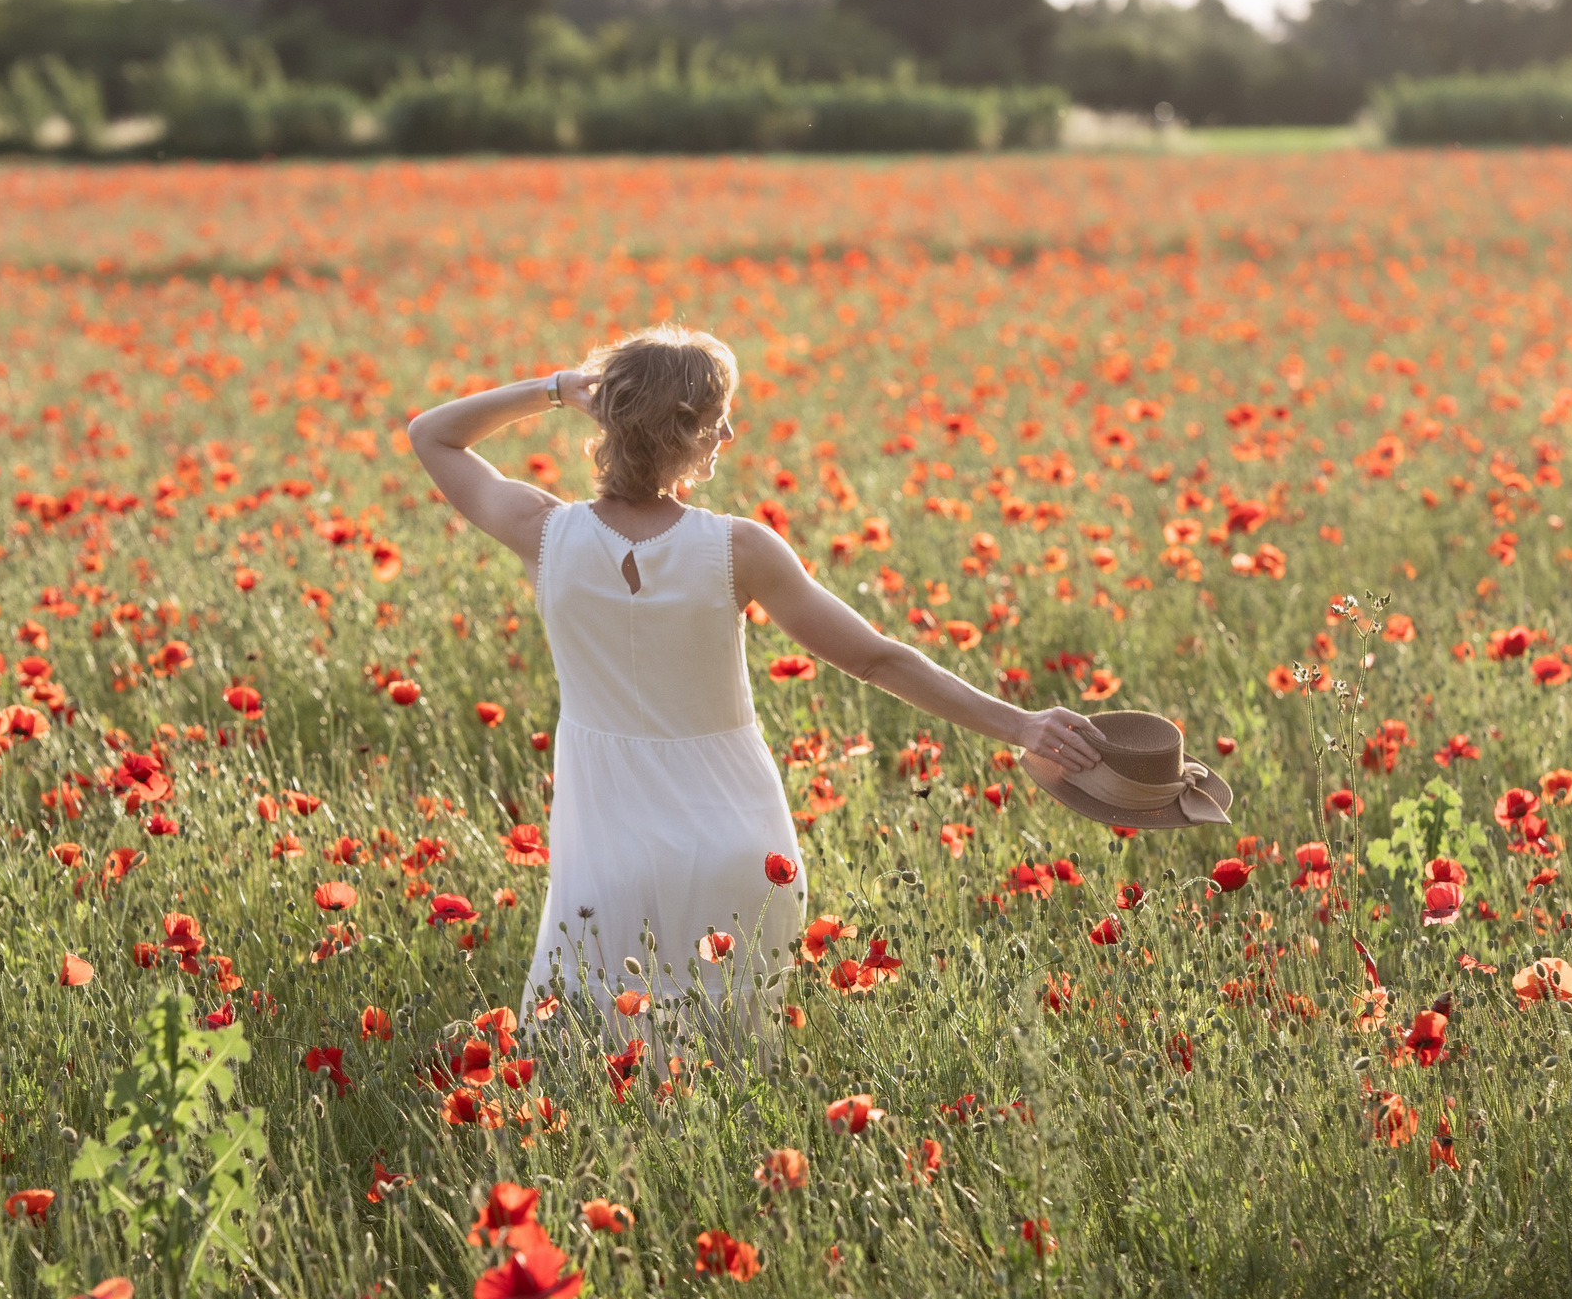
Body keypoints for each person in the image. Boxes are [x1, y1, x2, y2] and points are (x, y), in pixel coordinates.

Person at [410, 323, 1104, 1045]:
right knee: (726, 1078)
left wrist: (554, 390)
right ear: (683, 433)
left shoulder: (543, 532)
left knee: (595, 1070)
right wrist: (1020, 725)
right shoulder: (737, 549)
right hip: (737, 845)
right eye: (716, 420)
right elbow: (876, 659)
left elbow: (432, 434)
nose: (729, 433)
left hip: (605, 854)